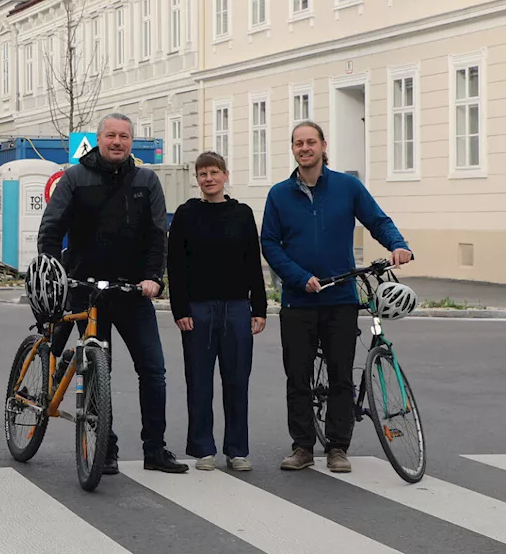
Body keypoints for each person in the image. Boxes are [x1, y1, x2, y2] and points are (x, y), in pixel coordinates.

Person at [37, 112, 188, 475]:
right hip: (85, 290)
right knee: (95, 371)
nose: (117, 141)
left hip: (132, 290)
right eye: (110, 135)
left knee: (153, 370)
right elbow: (52, 228)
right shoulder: (75, 178)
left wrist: (154, 277)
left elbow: (156, 235)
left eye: (124, 136)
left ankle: (155, 450)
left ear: (131, 142)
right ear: (99, 139)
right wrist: (54, 272)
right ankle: (106, 448)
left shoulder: (146, 180)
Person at [260, 121, 412, 474]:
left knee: (341, 374)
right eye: (298, 143)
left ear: (323, 145)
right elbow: (269, 243)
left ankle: (337, 447)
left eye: (310, 142)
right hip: (299, 301)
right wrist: (299, 278)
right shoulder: (279, 194)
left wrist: (398, 244)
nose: (304, 148)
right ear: (293, 149)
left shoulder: (347, 186)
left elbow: (377, 220)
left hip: (340, 297)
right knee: (297, 377)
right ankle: (301, 447)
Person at [168, 151, 267, 472]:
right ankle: (203, 448)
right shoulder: (186, 214)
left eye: (214, 172)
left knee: (237, 379)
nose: (208, 178)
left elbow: (253, 261)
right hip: (197, 309)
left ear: (226, 175)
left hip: (238, 306)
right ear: (196, 179)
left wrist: (259, 307)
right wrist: (179, 308)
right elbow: (176, 265)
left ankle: (237, 449)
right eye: (202, 174)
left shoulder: (242, 213)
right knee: (199, 380)